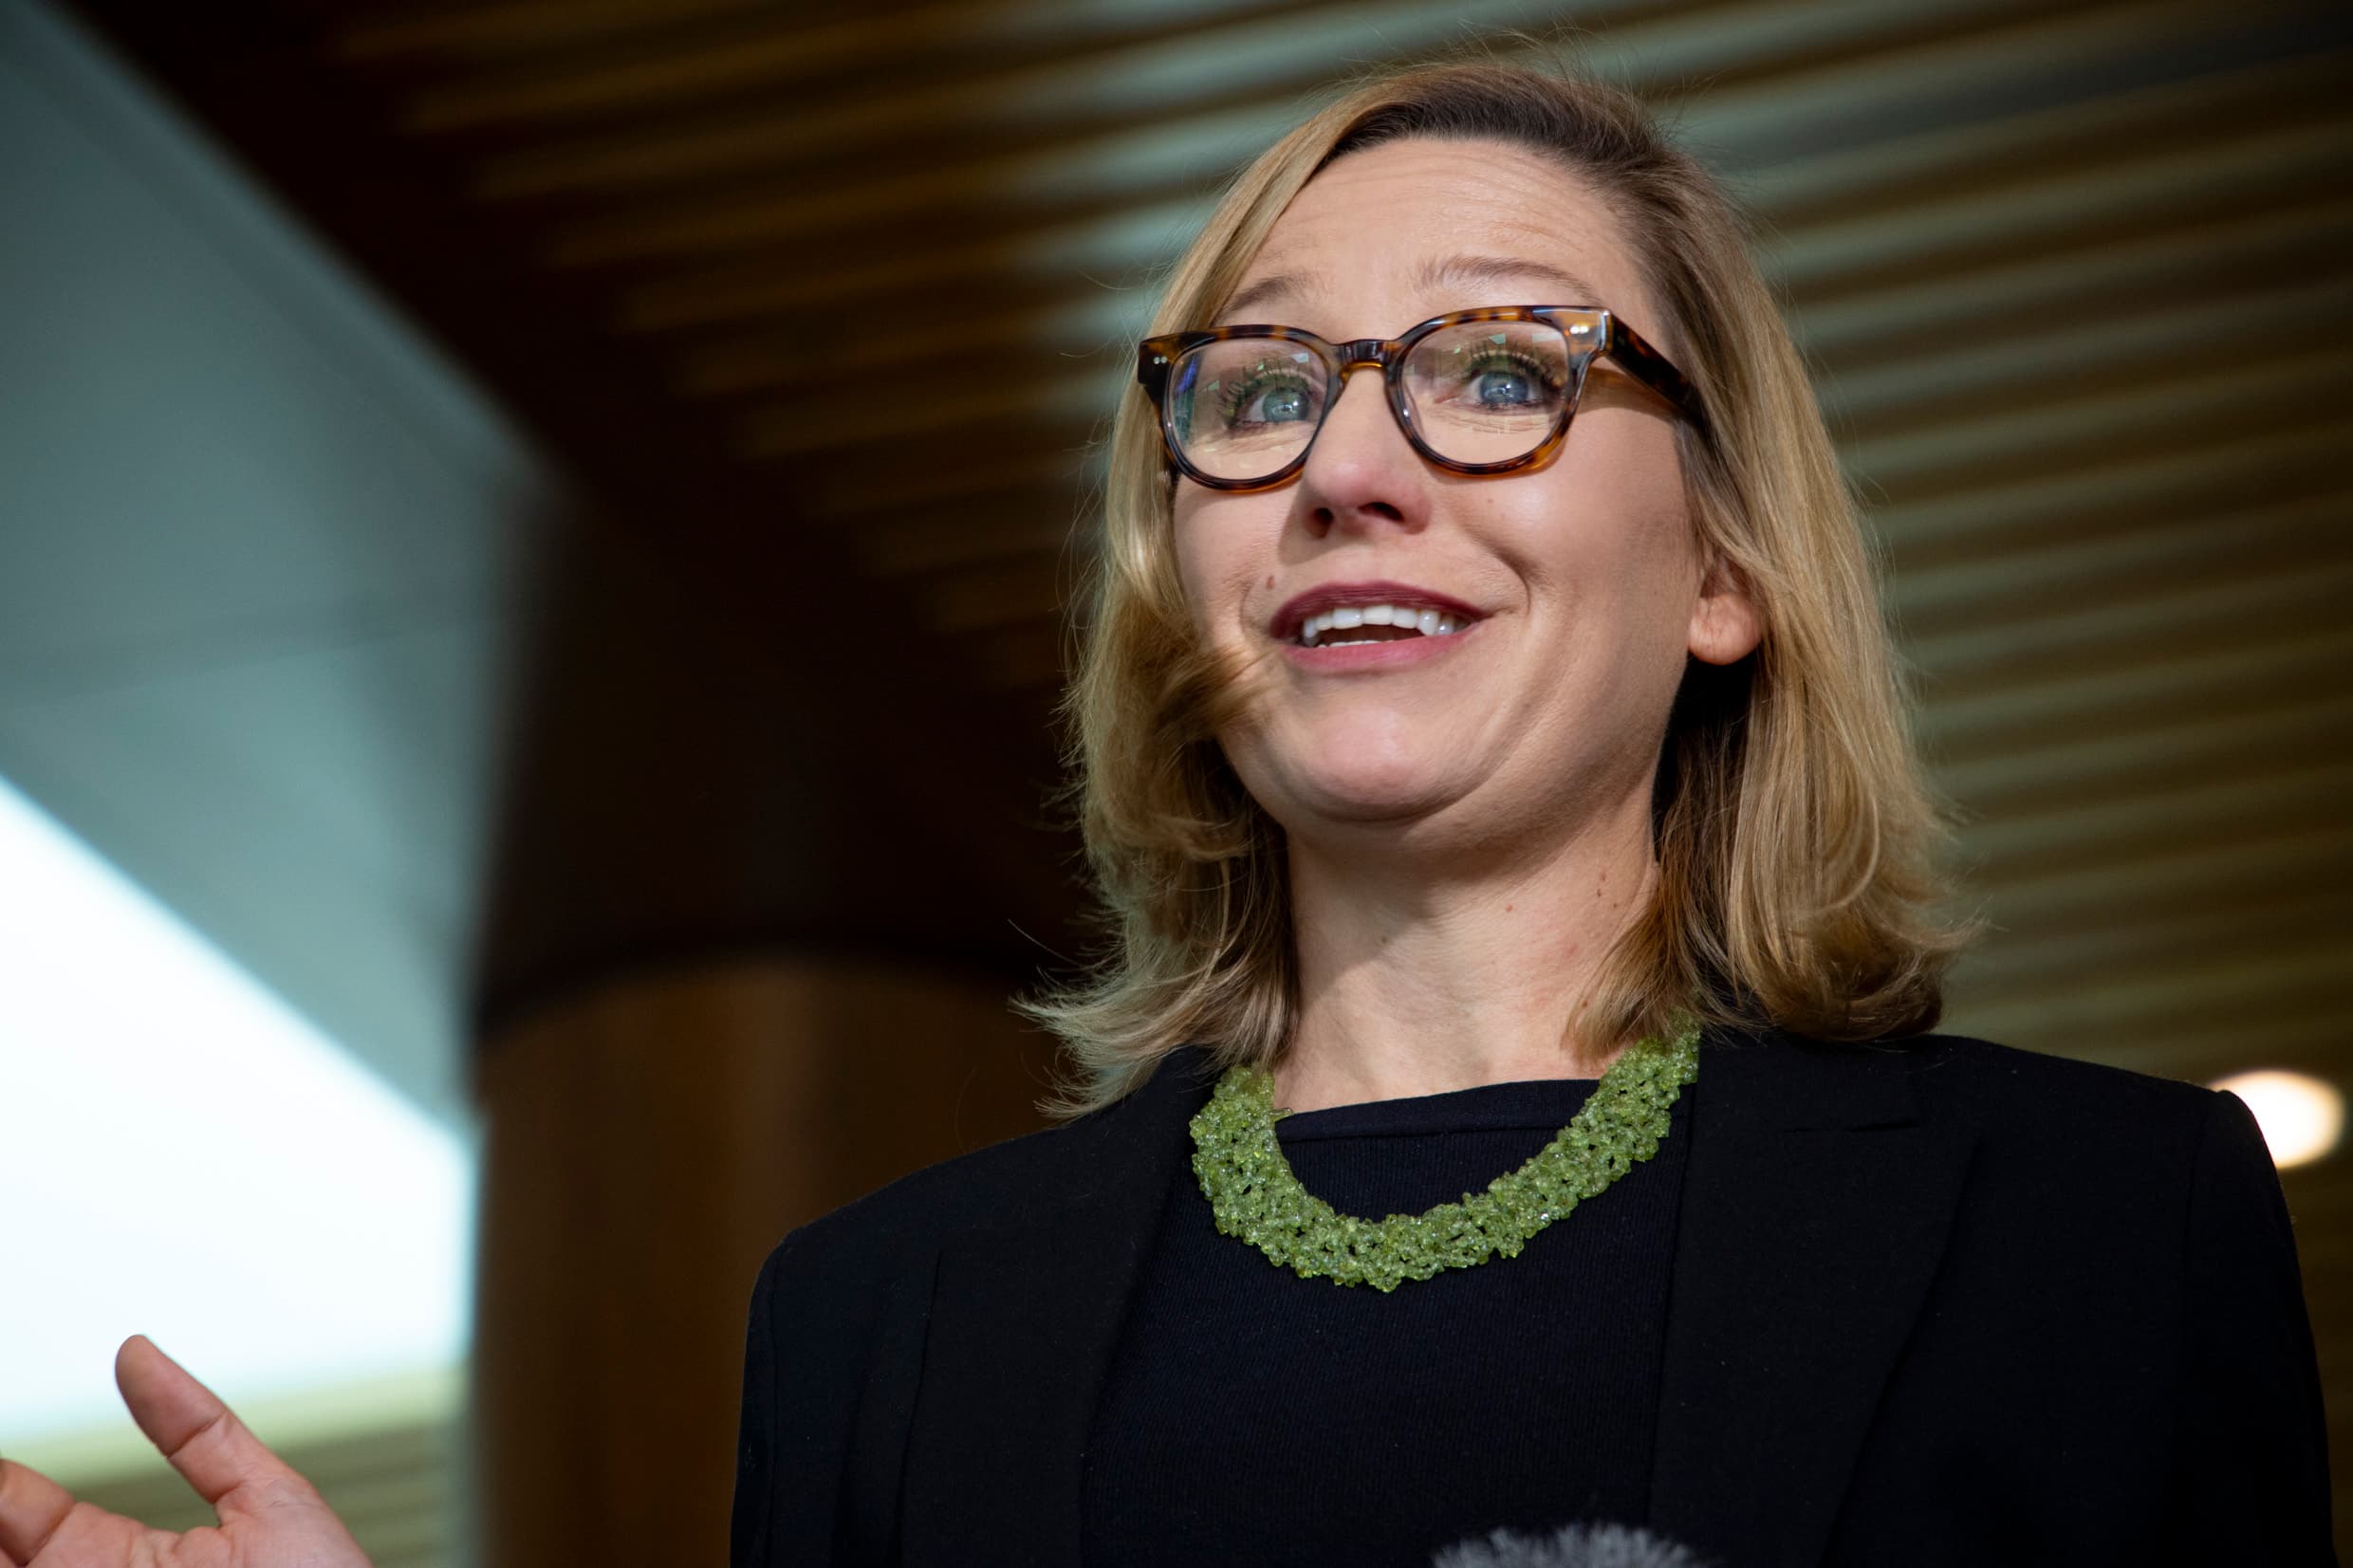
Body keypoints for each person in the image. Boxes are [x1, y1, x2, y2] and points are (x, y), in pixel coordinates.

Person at [0, 57, 2331, 1568]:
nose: (1348, 463)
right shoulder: (876, 1324)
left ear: (1723, 565)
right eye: (1262, 387)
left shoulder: (2101, 1232)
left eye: (1498, 368)